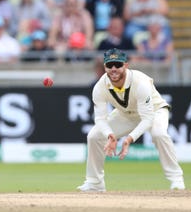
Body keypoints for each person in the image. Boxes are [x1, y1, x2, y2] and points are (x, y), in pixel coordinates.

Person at [77, 48, 185, 192]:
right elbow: (100, 119)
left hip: (154, 111)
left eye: (118, 64)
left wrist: (128, 139)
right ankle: (95, 183)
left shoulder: (140, 82)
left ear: (126, 65)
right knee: (94, 136)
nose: (114, 69)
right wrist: (110, 135)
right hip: (126, 114)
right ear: (105, 67)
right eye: (110, 65)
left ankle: (176, 179)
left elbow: (147, 119)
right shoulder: (99, 87)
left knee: (159, 134)